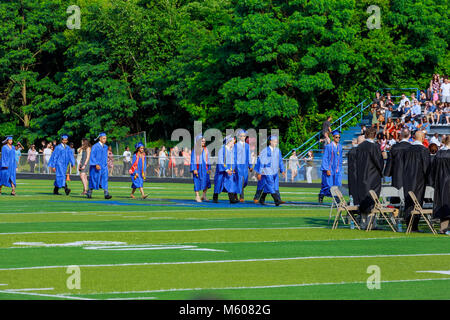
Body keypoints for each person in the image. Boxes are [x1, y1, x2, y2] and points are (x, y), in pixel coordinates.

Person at [354, 128, 384, 229]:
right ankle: (372, 223)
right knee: (372, 199)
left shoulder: (360, 146)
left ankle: (363, 223)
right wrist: (381, 171)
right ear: (375, 135)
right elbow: (378, 161)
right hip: (373, 177)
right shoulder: (375, 146)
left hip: (361, 177)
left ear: (365, 135)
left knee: (363, 198)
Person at [402, 131, 431, 232]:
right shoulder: (424, 150)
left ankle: (408, 224)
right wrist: (430, 181)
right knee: (417, 201)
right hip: (419, 180)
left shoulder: (407, 149)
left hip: (407, 179)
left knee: (408, 201)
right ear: (423, 138)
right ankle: (414, 226)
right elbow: (426, 167)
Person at [254, 135, 286, 206]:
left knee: (275, 185)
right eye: (274, 142)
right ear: (270, 142)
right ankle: (277, 200)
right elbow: (262, 162)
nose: (276, 143)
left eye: (276, 142)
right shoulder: (265, 151)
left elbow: (280, 161)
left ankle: (262, 199)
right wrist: (259, 172)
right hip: (267, 171)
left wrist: (282, 170)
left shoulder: (278, 150)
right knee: (270, 185)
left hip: (275, 171)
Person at [430, 136, 450, 234]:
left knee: (443, 204)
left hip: (440, 184)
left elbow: (433, 170)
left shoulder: (438, 154)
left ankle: (443, 228)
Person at [318, 130, 343, 204]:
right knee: (328, 185)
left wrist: (340, 168)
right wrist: (327, 169)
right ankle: (321, 194)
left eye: (339, 137)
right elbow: (325, 158)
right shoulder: (328, 147)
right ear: (333, 137)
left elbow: (340, 158)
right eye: (336, 137)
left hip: (337, 169)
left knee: (337, 184)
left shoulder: (340, 147)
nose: (338, 138)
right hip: (329, 168)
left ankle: (336, 198)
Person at [213, 135, 239, 204]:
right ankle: (215, 197)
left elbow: (233, 161)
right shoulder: (222, 149)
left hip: (230, 171)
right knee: (219, 183)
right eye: (232, 142)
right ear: (228, 142)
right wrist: (226, 169)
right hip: (222, 171)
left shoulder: (231, 151)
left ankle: (232, 199)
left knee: (230, 183)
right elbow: (221, 160)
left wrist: (233, 168)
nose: (233, 143)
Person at [87, 133, 112, 199]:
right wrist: (96, 164)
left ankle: (106, 194)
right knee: (94, 179)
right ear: (100, 138)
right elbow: (92, 156)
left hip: (104, 166)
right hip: (96, 167)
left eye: (105, 138)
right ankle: (89, 192)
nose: (105, 140)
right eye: (103, 138)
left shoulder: (106, 147)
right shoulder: (95, 146)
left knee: (104, 179)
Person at [190, 135, 211, 202]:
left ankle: (204, 195)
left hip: (205, 168)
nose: (203, 142)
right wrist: (194, 169)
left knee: (207, 181)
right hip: (198, 167)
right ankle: (197, 196)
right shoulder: (195, 149)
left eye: (204, 141)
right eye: (202, 141)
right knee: (197, 181)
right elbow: (193, 160)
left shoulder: (206, 149)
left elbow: (208, 159)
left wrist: (209, 167)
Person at [234, 129, 252, 202]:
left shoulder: (247, 146)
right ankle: (241, 197)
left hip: (245, 165)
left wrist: (250, 165)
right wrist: (234, 166)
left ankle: (235, 192)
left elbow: (249, 156)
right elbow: (234, 156)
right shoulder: (236, 145)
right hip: (238, 165)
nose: (243, 137)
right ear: (238, 137)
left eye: (244, 136)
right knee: (240, 180)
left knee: (245, 181)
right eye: (241, 136)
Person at [347, 135, 365, 206]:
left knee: (352, 195)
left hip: (352, 175)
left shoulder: (351, 151)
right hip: (358, 176)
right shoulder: (360, 151)